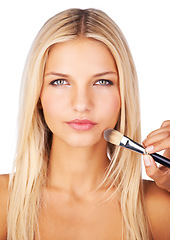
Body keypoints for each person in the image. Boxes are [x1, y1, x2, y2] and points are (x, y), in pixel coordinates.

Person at [0, 8, 170, 240]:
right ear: (37, 95)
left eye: (102, 81)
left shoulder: (157, 208)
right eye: (60, 81)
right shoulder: (3, 202)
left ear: (124, 95)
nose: (81, 104)